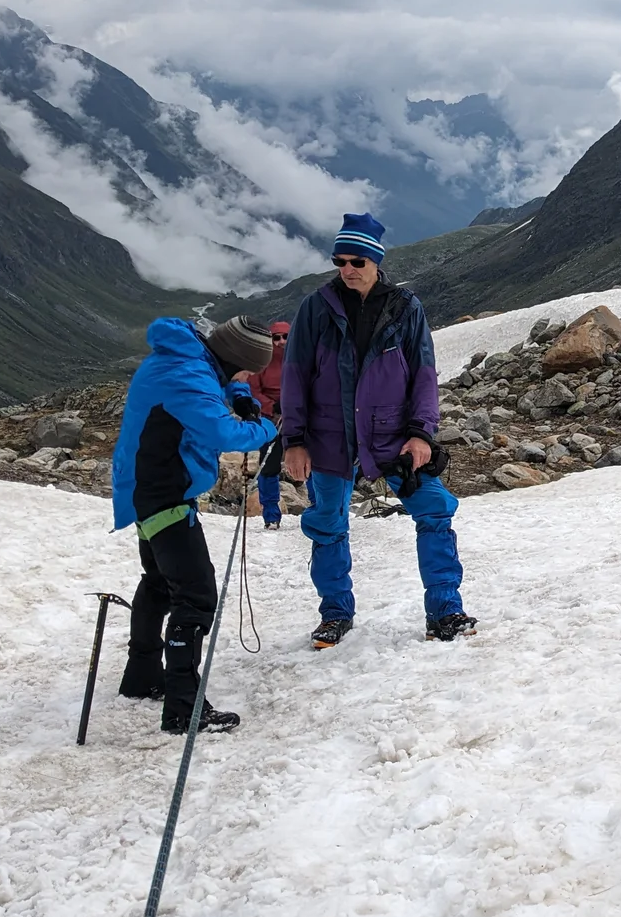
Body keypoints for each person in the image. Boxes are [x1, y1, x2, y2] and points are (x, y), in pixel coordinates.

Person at [280, 212, 473, 648]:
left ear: (375, 262)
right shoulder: (316, 308)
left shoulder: (405, 308)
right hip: (328, 435)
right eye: (340, 261)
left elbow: (423, 373)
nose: (346, 269)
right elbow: (294, 376)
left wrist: (422, 433)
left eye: (356, 262)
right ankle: (335, 614)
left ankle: (445, 611)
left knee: (435, 511)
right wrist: (294, 440)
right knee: (328, 524)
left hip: (392, 435)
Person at [111, 314, 279, 734]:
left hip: (145, 489)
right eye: (245, 370)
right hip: (165, 493)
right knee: (196, 596)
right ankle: (184, 708)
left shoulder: (186, 357)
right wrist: (264, 427)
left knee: (159, 584)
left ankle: (142, 675)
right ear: (234, 357)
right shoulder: (188, 376)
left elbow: (217, 382)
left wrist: (240, 394)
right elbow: (223, 434)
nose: (244, 377)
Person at [249, 320, 290, 529]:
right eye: (276, 337)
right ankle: (271, 515)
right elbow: (254, 390)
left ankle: (318, 507)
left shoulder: (301, 359)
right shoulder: (261, 362)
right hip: (270, 418)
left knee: (309, 460)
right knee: (269, 465)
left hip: (297, 415)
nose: (281, 342)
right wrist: (272, 407)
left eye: (285, 337)